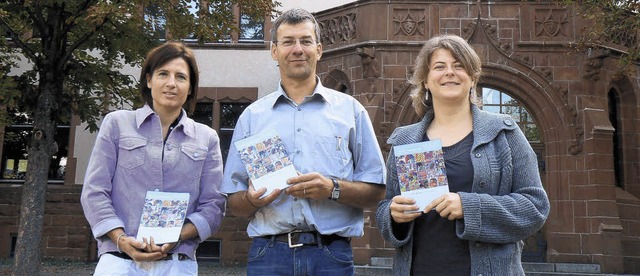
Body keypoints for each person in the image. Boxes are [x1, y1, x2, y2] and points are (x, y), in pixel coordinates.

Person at [221, 7, 386, 276]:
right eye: (288, 42)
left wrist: (331, 188)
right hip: (269, 256)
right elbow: (235, 202)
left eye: (305, 41)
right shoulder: (252, 117)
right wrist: (253, 200)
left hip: (332, 255)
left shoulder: (351, 111)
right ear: (274, 51)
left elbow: (378, 191)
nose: (297, 49)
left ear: (318, 49)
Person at [375, 34, 550, 275]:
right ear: (425, 81)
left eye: (459, 66)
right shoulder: (406, 140)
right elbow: (386, 209)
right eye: (439, 66)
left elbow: (535, 208)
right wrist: (393, 215)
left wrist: (469, 207)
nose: (450, 72)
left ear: (472, 78)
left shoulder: (503, 133)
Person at [81, 41, 226, 275]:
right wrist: (121, 240)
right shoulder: (117, 124)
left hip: (177, 263)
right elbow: (94, 191)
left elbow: (214, 206)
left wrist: (176, 235)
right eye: (163, 74)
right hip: (119, 261)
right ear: (149, 80)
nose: (171, 83)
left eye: (181, 77)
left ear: (190, 88)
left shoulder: (207, 138)